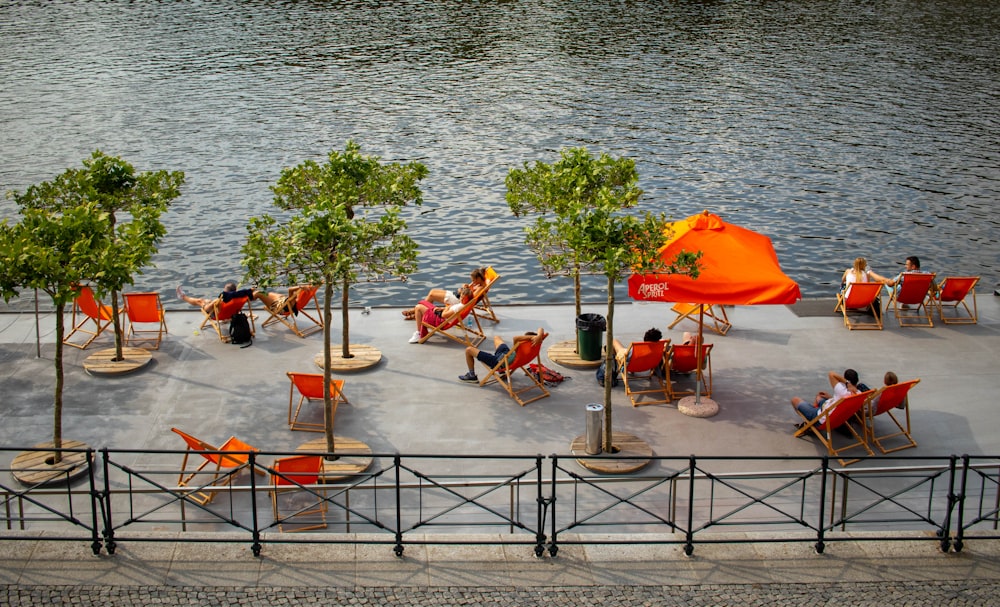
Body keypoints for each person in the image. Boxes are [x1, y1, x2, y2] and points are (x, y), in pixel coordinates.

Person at [459, 328, 549, 382]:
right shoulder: (532, 347)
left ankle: (471, 376)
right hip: (507, 355)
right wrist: (539, 335)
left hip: (500, 362)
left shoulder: (520, 346)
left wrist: (532, 337)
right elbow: (541, 328)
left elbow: (516, 338)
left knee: (469, 350)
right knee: (496, 337)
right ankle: (500, 366)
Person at [401, 268, 488, 320]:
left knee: (432, 295)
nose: (473, 282)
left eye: (473, 280)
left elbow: (469, 298)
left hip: (457, 300)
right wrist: (464, 288)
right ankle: (416, 311)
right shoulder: (478, 284)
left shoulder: (480, 288)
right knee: (432, 291)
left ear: (479, 278)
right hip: (456, 295)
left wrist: (464, 289)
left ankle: (416, 312)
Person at [791, 369, 861, 429]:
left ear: (845, 378)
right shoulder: (859, 394)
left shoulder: (841, 390)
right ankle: (810, 418)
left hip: (822, 419)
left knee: (794, 400)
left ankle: (809, 424)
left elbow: (831, 374)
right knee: (820, 396)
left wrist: (847, 383)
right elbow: (841, 402)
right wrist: (830, 398)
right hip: (837, 416)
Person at [407, 286, 473, 344]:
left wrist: (445, 308)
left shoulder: (458, 307)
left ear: (466, 298)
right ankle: (423, 330)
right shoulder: (464, 305)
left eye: (462, 297)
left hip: (440, 321)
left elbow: (444, 315)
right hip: (440, 317)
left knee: (418, 307)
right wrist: (442, 308)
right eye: (461, 297)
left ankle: (419, 333)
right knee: (424, 303)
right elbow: (448, 311)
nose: (460, 299)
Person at [177, 282, 253, 316]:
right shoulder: (241, 297)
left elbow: (206, 309)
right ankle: (183, 296)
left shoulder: (219, 300)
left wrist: (203, 305)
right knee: (208, 300)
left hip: (219, 314)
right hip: (232, 313)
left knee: (199, 301)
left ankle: (182, 296)